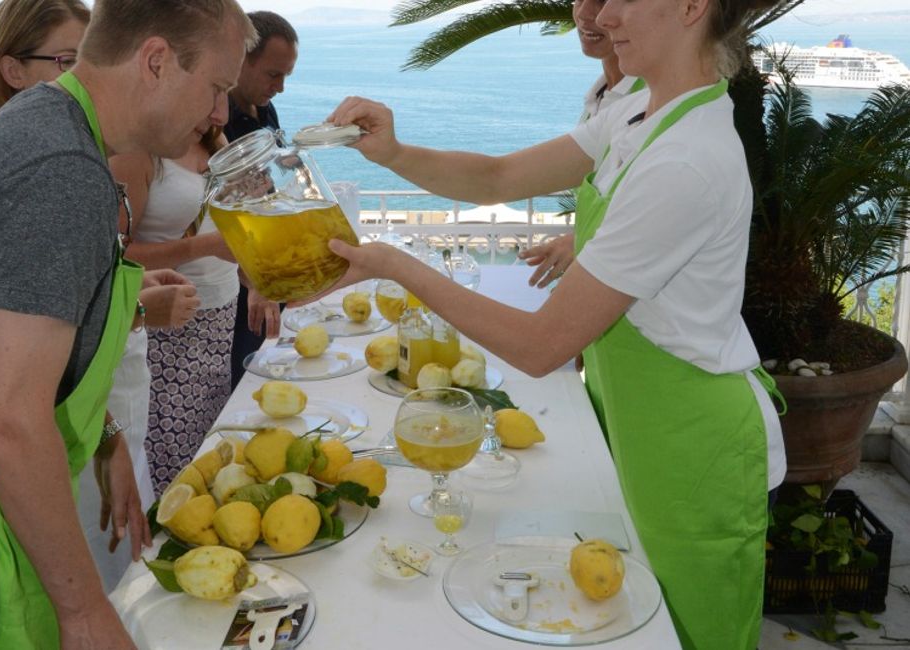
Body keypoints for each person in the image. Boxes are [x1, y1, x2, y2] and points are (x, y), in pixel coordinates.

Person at [321, 0, 785, 647]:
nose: (603, 13)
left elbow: (541, 345)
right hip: (635, 414)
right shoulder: (636, 111)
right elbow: (500, 175)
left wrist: (396, 266)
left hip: (690, 448)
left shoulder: (686, 157)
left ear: (690, 6)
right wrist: (393, 153)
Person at [0, 2, 255, 648]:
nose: (218, 115)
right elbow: (11, 422)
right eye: (216, 87)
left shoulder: (57, 136)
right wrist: (84, 611)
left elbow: (25, 351)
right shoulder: (61, 171)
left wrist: (104, 438)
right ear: (155, 60)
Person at [0, 0, 203, 589]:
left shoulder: (67, 160)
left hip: (92, 413)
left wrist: (107, 437)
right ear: (12, 71)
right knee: (100, 585)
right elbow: (15, 379)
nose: (83, 76)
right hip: (43, 447)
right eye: (67, 61)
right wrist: (137, 308)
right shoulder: (50, 171)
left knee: (123, 567)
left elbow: (66, 309)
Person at [110, 128, 281, 497]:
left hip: (218, 322)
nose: (222, 109)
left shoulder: (215, 141)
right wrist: (206, 247)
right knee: (171, 459)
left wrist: (255, 282)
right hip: (165, 326)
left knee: (209, 451)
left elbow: (234, 227)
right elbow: (114, 255)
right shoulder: (138, 152)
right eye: (215, 89)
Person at [519, 0, 647, 288]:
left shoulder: (649, 102)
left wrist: (581, 241)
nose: (586, 14)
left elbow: (653, 213)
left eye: (602, 0)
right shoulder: (599, 97)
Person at [225, 10, 299, 391]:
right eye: (274, 75)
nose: (280, 87)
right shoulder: (216, 120)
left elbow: (276, 173)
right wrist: (254, 279)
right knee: (241, 378)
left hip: (268, 269)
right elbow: (221, 208)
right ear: (240, 59)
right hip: (237, 277)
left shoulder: (264, 109)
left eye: (285, 76)